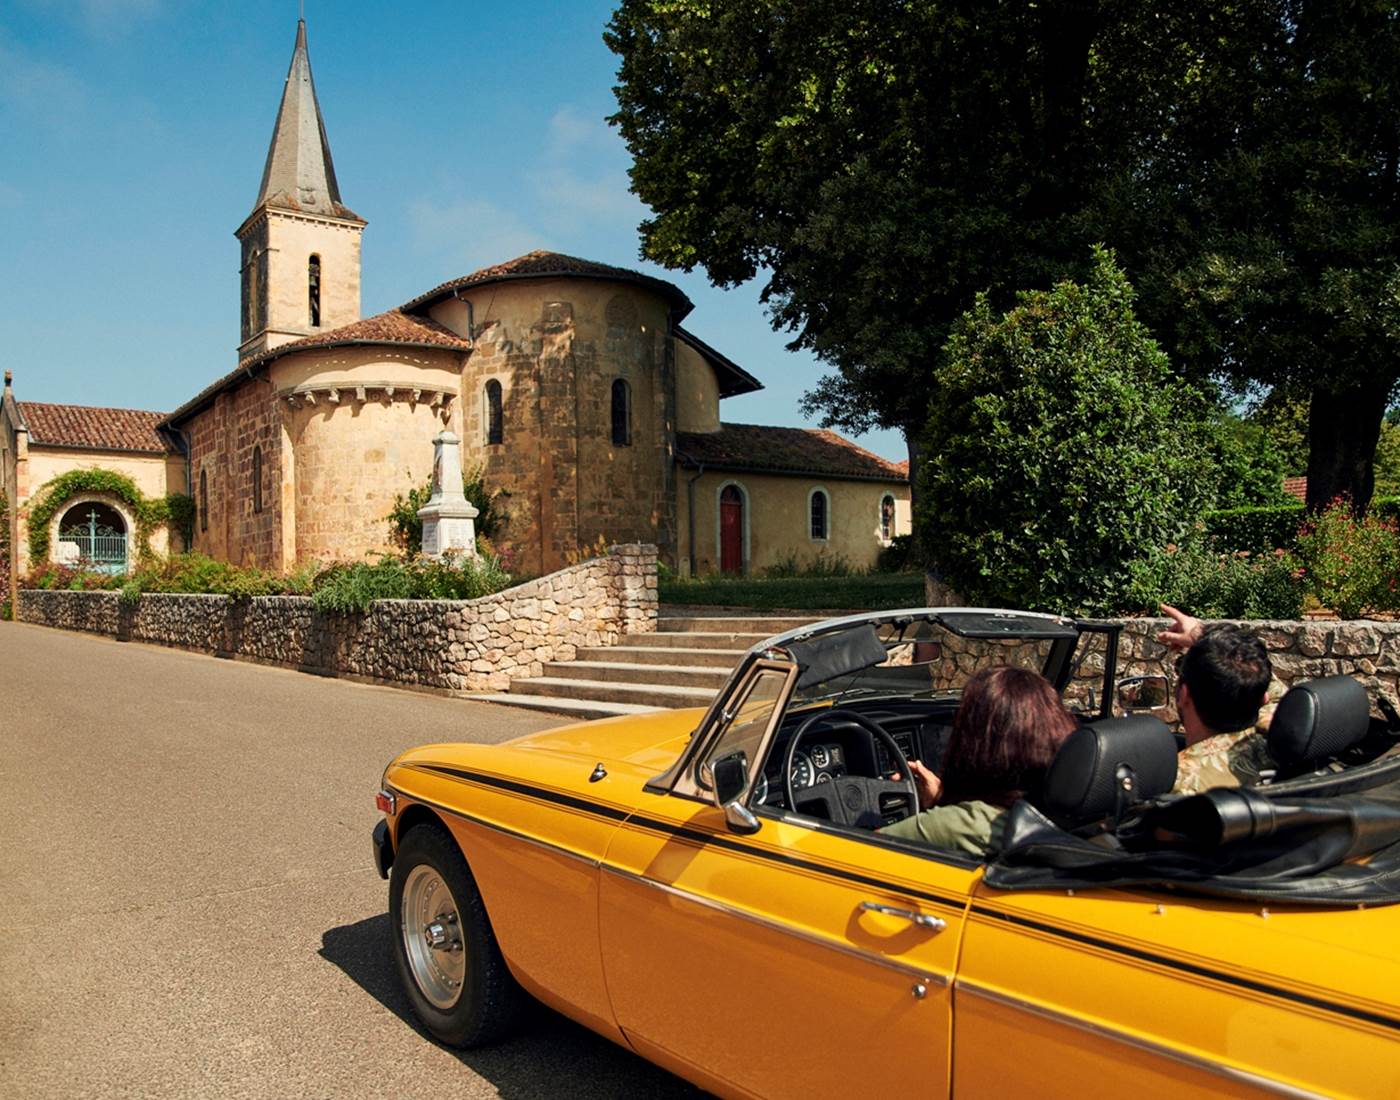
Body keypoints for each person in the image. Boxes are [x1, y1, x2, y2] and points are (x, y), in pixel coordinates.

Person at [880, 666, 1077, 856]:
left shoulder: (961, 825)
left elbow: (855, 852)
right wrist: (940, 799)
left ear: (976, 745)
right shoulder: (1066, 815)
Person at [1157, 604, 1276, 793]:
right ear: (1264, 700)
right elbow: (1264, 683)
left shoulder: (1174, 782)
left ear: (1184, 695)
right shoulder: (1280, 744)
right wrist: (1202, 637)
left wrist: (1200, 636)